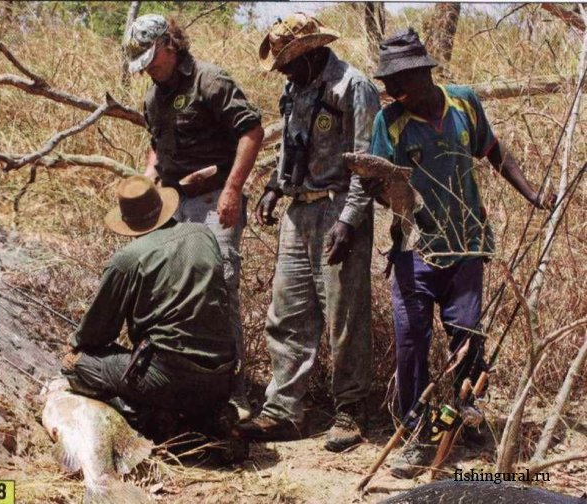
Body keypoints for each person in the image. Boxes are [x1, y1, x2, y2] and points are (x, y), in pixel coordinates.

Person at [367, 28, 553, 478]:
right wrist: (401, 200)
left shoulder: (465, 102)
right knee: (412, 342)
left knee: (467, 338)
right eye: (388, 83)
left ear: (421, 74)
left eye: (397, 82)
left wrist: (534, 194)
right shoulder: (388, 122)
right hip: (414, 251)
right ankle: (417, 434)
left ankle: (459, 419)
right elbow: (377, 185)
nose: (390, 91)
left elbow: (493, 151)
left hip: (467, 245)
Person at [238, 13, 381, 453]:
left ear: (312, 53)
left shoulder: (352, 86)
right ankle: (284, 410)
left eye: (288, 61)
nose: (282, 70)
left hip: (340, 209)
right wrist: (273, 188)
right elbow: (291, 144)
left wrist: (349, 220)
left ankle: (351, 410)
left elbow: (367, 160)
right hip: (299, 212)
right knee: (288, 312)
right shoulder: (295, 87)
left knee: (344, 312)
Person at [123, 14, 265, 420]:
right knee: (171, 293)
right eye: (143, 62)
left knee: (219, 286)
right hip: (173, 203)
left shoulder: (210, 80)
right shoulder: (153, 98)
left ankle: (234, 390)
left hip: (215, 199)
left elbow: (251, 131)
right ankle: (185, 385)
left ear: (171, 44)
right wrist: (148, 177)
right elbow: (156, 146)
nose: (150, 67)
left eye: (153, 57)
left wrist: (233, 190)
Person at [61, 176, 238, 444]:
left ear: (128, 221)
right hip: (221, 377)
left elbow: (97, 334)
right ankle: (204, 417)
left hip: (168, 378)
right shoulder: (204, 235)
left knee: (76, 366)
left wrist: (74, 344)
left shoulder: (128, 259)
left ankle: (152, 417)